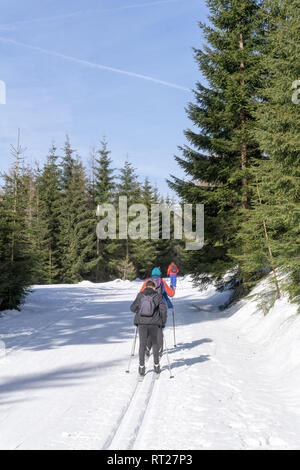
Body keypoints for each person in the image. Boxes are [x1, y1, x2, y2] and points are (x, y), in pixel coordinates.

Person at [130, 280, 167, 376]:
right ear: (154, 287)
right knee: (155, 343)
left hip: (142, 323)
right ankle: (156, 365)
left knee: (142, 344)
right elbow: (163, 309)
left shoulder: (140, 295)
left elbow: (132, 308)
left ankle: (141, 367)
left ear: (146, 286)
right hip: (154, 323)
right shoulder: (157, 296)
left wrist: (139, 308)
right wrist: (163, 321)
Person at [139, 267, 175, 359]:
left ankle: (147, 350)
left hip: (148, 310)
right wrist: (172, 288)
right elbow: (171, 294)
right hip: (160, 309)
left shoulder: (147, 282)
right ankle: (159, 352)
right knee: (159, 330)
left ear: (152, 274)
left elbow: (140, 294)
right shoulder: (162, 283)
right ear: (160, 275)